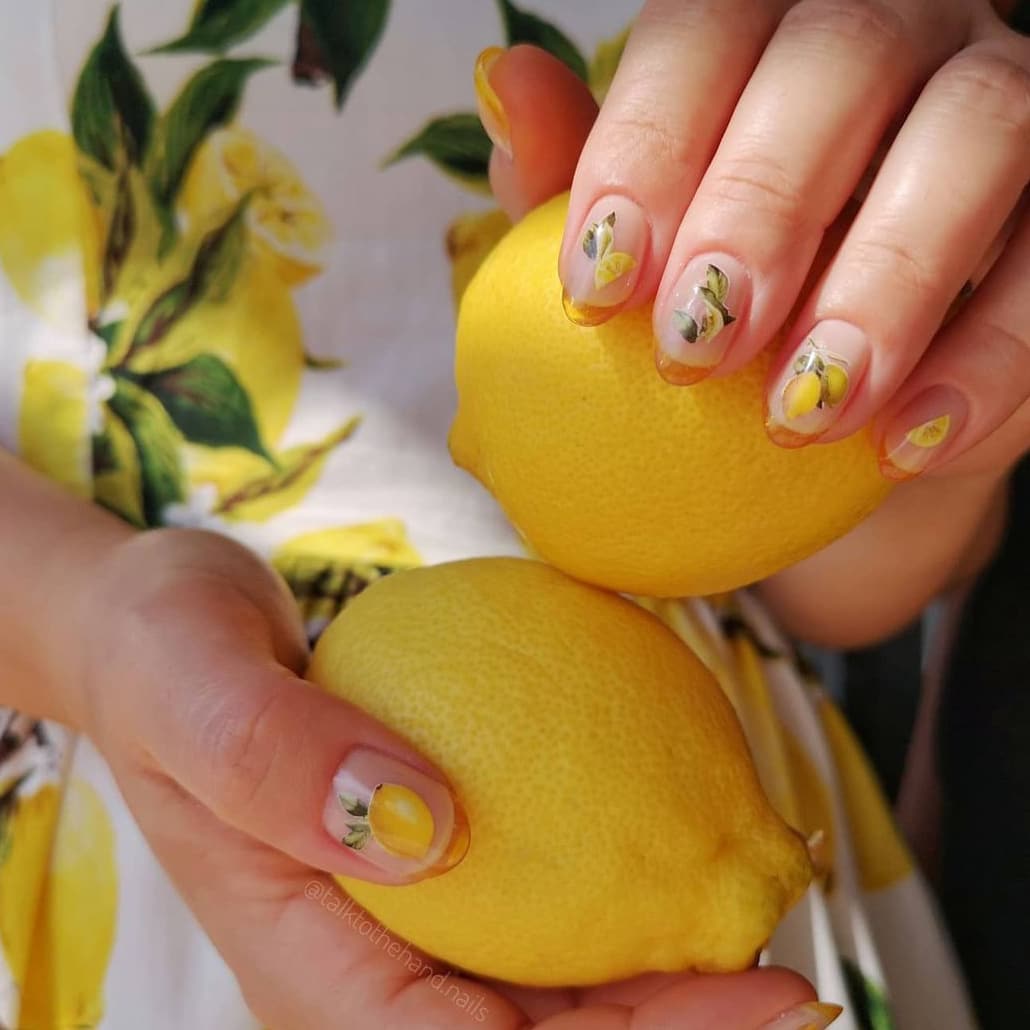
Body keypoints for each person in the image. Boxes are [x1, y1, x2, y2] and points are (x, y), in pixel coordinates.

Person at [0, 1, 1025, 1027]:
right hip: (80, 757)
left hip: (690, 759)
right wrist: (81, 618)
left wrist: (919, 405)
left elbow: (830, 584)